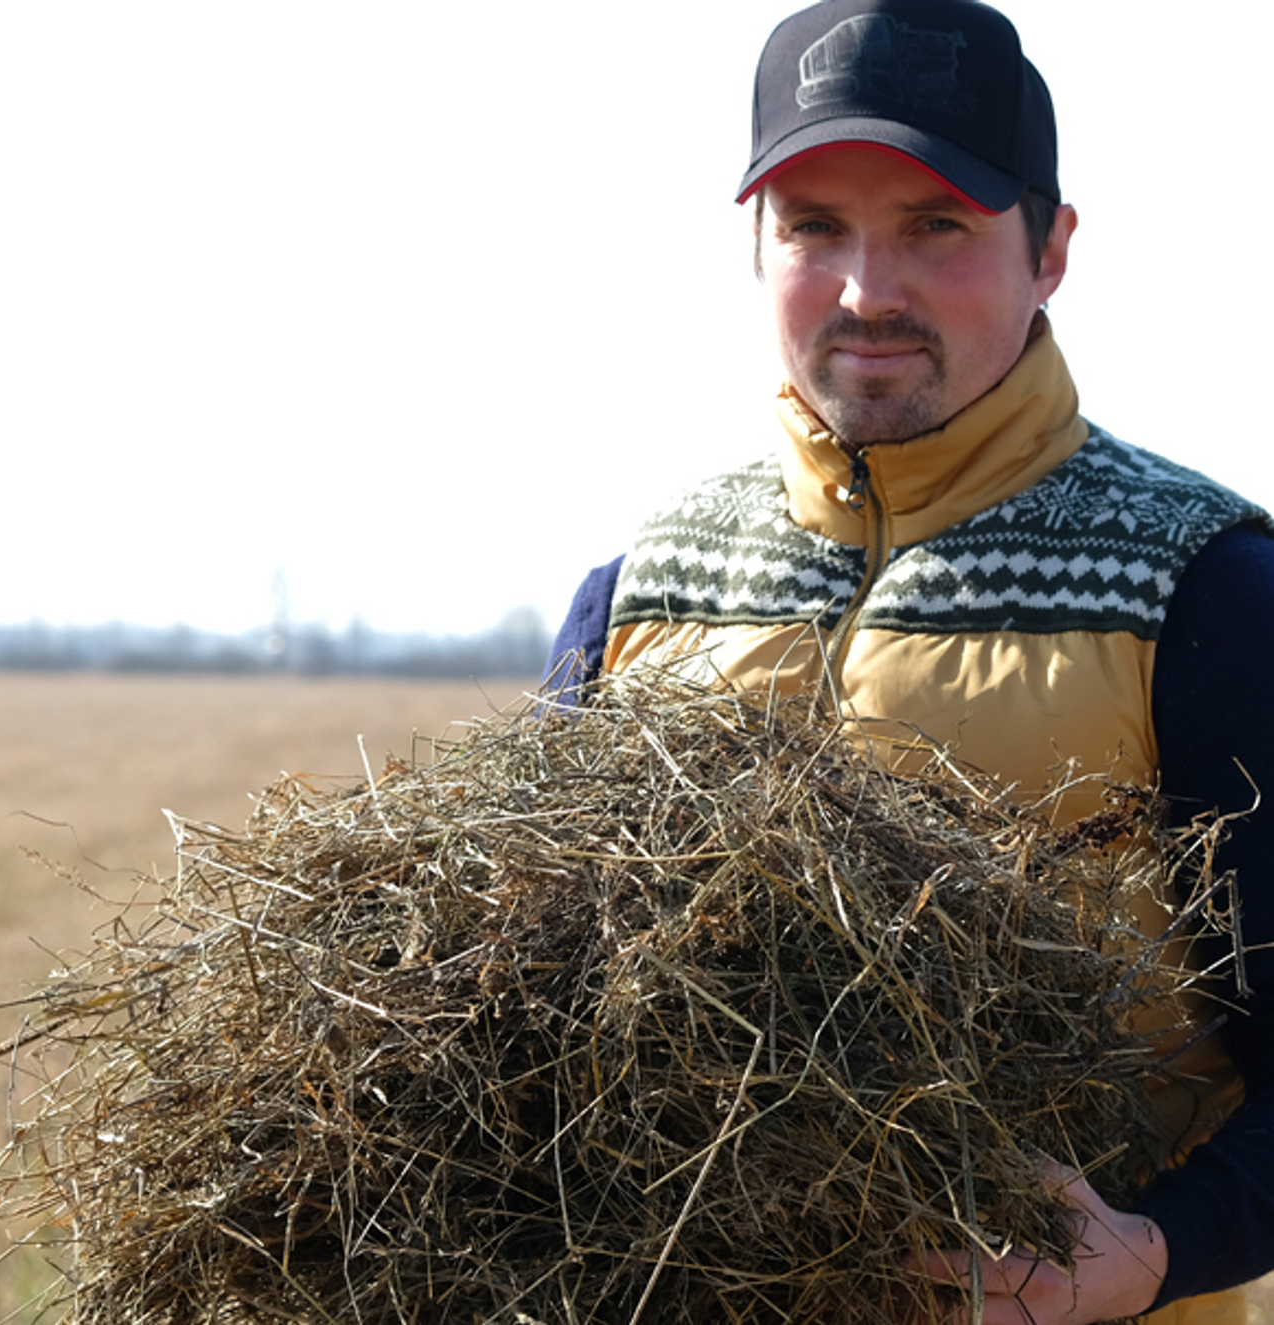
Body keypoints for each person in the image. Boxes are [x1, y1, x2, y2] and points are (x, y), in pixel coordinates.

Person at [543, 1, 1274, 1321]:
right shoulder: (638, 595)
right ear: (755, 247)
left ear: (1049, 248)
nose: (867, 291)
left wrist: (1158, 1247)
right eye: (814, 227)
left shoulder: (1203, 592)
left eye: (935, 226)